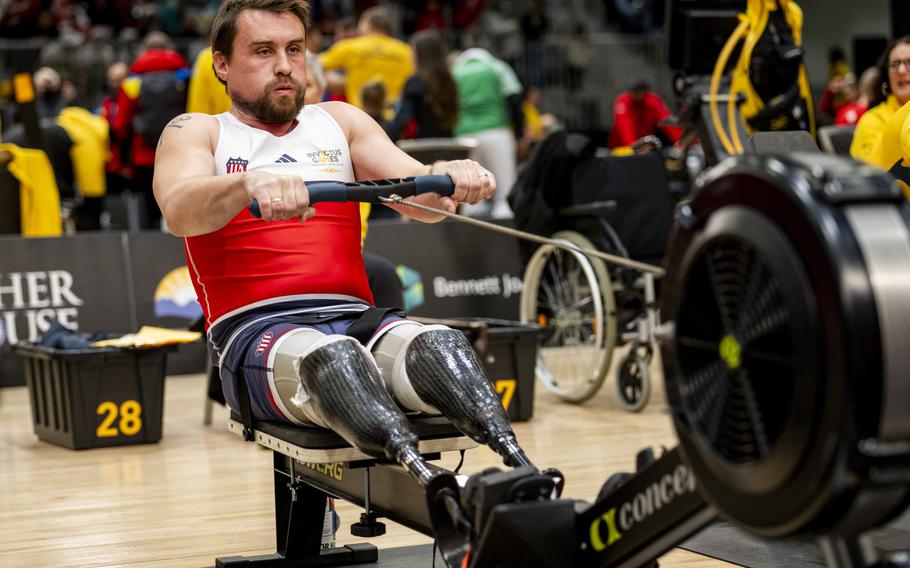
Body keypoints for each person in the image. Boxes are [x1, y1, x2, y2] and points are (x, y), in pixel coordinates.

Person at [153, 0, 532, 485]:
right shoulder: (196, 131)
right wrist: (247, 184)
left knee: (441, 347)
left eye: (294, 49)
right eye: (263, 51)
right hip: (257, 332)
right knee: (333, 360)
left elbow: (425, 202)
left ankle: (522, 476)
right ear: (221, 64)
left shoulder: (339, 122)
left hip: (355, 320)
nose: (286, 65)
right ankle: (434, 487)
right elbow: (180, 208)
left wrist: (446, 176)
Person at [113, 31, 189, 230]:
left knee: (150, 199)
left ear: (144, 51)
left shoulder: (132, 83)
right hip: (181, 147)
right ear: (169, 48)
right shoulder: (185, 77)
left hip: (144, 152)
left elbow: (121, 124)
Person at [452, 46, 524, 218]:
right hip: (495, 130)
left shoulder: (455, 72)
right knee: (505, 192)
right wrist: (519, 132)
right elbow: (514, 96)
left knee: (471, 191)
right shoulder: (497, 66)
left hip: (464, 134)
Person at [319, 6, 414, 111]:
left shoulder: (350, 47)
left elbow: (313, 64)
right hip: (394, 118)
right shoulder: (406, 51)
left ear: (368, 25)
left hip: (360, 116)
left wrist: (333, 81)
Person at [386, 29, 459, 141]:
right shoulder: (449, 80)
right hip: (448, 142)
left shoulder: (415, 82)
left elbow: (402, 120)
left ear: (419, 56)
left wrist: (387, 136)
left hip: (423, 146)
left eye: (413, 53)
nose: (411, 57)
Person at [851, 37, 910, 163]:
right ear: (886, 76)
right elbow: (871, 173)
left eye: (909, 62)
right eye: (895, 64)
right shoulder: (872, 120)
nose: (901, 70)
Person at [607, 81, 682, 149]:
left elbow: (666, 120)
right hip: (621, 149)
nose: (636, 94)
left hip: (644, 147)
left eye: (639, 92)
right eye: (633, 91)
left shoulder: (652, 101)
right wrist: (632, 148)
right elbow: (624, 127)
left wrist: (680, 141)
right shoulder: (623, 102)